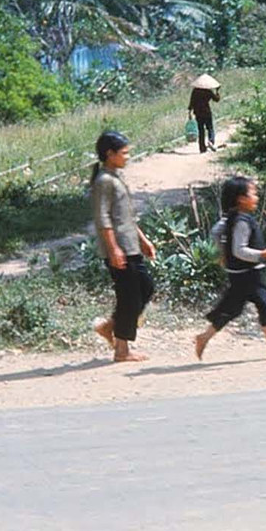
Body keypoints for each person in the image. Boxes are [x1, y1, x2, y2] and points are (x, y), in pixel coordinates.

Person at [195, 175, 266, 360]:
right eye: (253, 193)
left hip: (240, 274)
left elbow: (216, 232)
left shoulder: (232, 218)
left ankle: (204, 337)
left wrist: (222, 253)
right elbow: (239, 250)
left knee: (231, 309)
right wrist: (263, 254)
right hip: (248, 275)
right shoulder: (241, 221)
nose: (256, 197)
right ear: (241, 198)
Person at [90, 130, 156, 362]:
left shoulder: (116, 177)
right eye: (124, 153)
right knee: (129, 297)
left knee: (145, 288)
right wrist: (113, 249)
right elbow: (103, 219)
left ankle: (110, 327)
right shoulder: (104, 182)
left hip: (130, 246)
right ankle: (122, 349)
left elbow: (126, 216)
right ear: (110, 154)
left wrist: (143, 240)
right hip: (118, 249)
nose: (128, 157)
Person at [188, 78, 221, 153]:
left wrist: (189, 112)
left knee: (201, 130)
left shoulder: (195, 91)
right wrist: (217, 91)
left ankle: (202, 148)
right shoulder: (208, 91)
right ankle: (211, 141)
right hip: (207, 112)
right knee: (210, 128)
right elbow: (217, 99)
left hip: (198, 113)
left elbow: (191, 102)